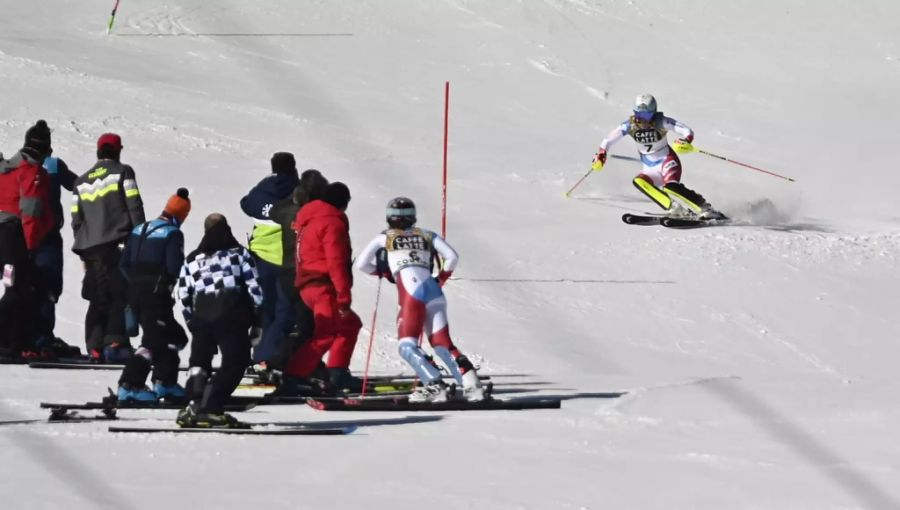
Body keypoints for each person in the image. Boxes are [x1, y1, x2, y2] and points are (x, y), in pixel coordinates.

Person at [355, 197, 485, 403]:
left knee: (407, 345)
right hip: (434, 291)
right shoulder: (427, 234)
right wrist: (442, 277)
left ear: (389, 218)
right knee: (443, 343)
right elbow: (452, 256)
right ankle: (472, 385)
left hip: (411, 292)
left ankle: (434, 385)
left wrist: (384, 273)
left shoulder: (385, 237)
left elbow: (361, 264)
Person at [176, 213, 263, 428]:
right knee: (235, 362)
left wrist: (191, 322)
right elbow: (255, 287)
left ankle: (194, 404)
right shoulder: (239, 253)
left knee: (199, 362)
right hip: (231, 313)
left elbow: (183, 294)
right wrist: (258, 319)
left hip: (202, 315)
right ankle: (211, 406)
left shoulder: (192, 259)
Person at [281, 182, 363, 394]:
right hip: (322, 284)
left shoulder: (309, 219)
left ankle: (337, 372)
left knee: (349, 324)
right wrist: (343, 294)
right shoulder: (331, 222)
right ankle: (294, 377)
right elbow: (336, 260)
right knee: (325, 333)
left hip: (308, 284)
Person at [71, 132, 145, 361]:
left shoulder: (80, 181)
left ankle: (93, 346)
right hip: (117, 242)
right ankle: (115, 344)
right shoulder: (123, 172)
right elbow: (134, 205)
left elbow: (76, 219)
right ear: (118, 150)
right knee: (119, 294)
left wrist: (84, 250)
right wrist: (141, 237)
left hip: (90, 248)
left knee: (96, 296)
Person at [593, 94, 725, 220]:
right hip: (650, 168)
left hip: (667, 161)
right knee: (639, 181)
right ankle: (674, 208)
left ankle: (706, 209)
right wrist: (601, 153)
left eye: (647, 115)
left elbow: (686, 130)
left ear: (654, 112)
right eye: (639, 114)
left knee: (671, 187)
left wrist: (686, 140)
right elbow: (608, 140)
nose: (643, 119)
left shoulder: (661, 121)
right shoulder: (629, 125)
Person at [115, 189, 191, 402]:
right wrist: (162, 285)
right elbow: (174, 266)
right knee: (152, 341)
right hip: (156, 297)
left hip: (134, 294)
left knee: (174, 337)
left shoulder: (140, 228)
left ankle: (165, 381)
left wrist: (136, 283)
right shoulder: (172, 233)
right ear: (181, 215)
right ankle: (130, 385)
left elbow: (123, 264)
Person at [257, 169, 329, 381]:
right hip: (307, 273)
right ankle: (286, 363)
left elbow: (274, 212)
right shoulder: (318, 213)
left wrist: (293, 195)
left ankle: (277, 360)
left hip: (286, 270)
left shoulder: (287, 210)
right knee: (308, 324)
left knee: (289, 320)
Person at [0, 121, 55, 359]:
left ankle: (14, 339)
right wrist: (32, 246)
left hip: (4, 235)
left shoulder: (7, 168)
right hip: (14, 236)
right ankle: (10, 340)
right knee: (18, 290)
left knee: (15, 287)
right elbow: (30, 213)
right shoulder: (32, 173)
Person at [239, 152, 299, 371]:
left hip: (259, 257)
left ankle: (259, 355)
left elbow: (245, 204)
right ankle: (266, 357)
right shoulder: (298, 190)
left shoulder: (261, 188)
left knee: (265, 310)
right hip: (286, 259)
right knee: (286, 312)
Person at [34, 124, 81, 358]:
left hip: (21, 235)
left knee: (24, 285)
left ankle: (22, 335)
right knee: (49, 287)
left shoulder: (20, 165)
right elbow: (78, 185)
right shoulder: (53, 164)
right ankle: (43, 339)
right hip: (49, 235)